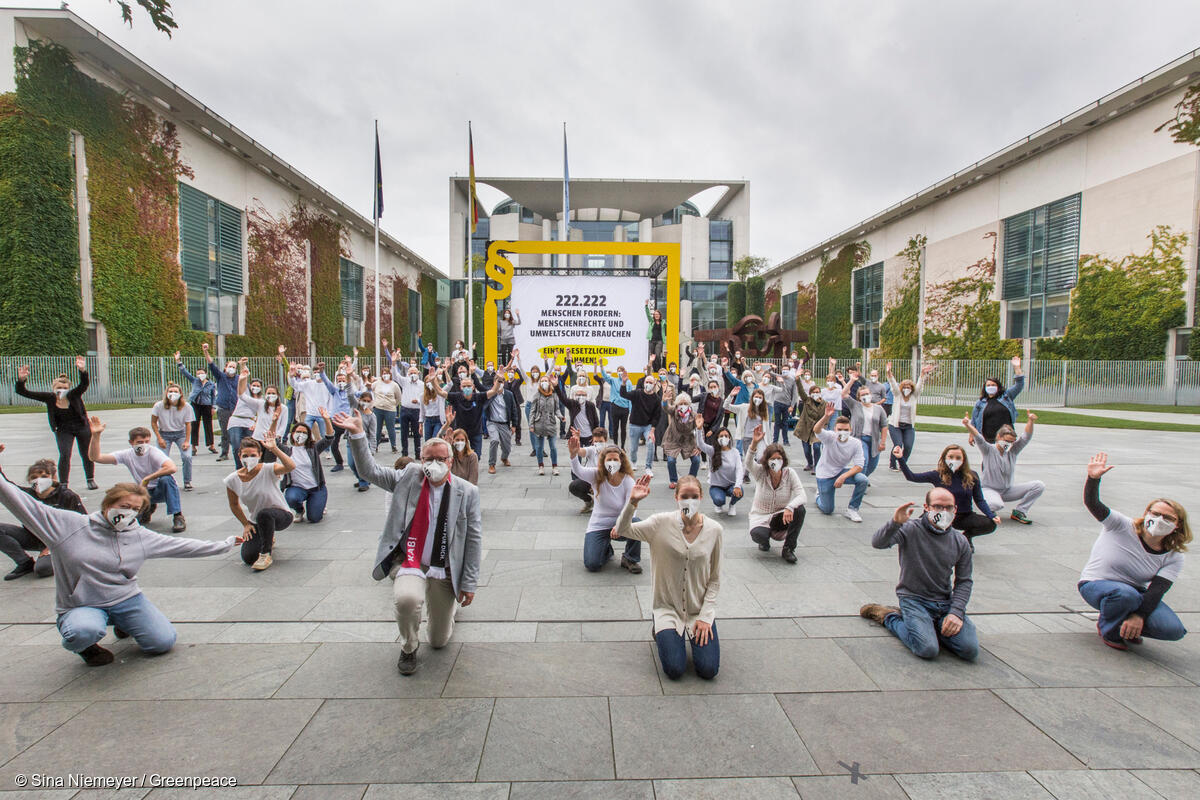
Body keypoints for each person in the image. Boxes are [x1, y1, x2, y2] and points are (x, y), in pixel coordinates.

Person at [0, 444, 240, 666]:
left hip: (126, 599)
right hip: (82, 604)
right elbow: (20, 501)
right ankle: (85, 646)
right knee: (83, 631)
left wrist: (226, 544)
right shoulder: (69, 525)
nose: (128, 514)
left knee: (162, 642)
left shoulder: (139, 536)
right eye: (124, 507)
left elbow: (184, 547)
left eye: (135, 510)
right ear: (108, 504)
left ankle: (124, 622)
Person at [336, 412, 481, 675]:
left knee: (438, 641)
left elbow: (473, 539)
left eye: (440, 459)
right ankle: (408, 647)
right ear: (421, 460)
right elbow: (369, 471)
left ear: (450, 461)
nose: (434, 464)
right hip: (410, 560)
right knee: (406, 600)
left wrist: (469, 583)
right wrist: (357, 435)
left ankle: (448, 612)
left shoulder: (466, 491)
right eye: (429, 459)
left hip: (444, 567)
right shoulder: (408, 477)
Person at [615, 474, 721, 680]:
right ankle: (661, 628)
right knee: (674, 669)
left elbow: (715, 579)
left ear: (701, 497)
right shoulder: (659, 523)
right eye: (684, 496)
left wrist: (706, 617)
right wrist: (633, 502)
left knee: (708, 669)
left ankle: (688, 632)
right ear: (676, 497)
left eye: (694, 496)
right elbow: (622, 530)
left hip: (698, 610)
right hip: (667, 608)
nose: (689, 501)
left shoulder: (715, 530)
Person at [1078, 453, 1188, 649]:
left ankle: (1123, 622)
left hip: (1135, 594)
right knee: (1125, 595)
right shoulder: (1121, 525)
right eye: (1155, 513)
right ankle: (1109, 630)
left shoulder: (1173, 555)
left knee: (1172, 629)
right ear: (1146, 514)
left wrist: (1139, 616)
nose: (1159, 520)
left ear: (1178, 525)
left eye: (1168, 518)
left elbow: (1157, 589)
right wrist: (1093, 479)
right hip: (1097, 584)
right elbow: (1093, 504)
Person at [859, 489, 978, 661]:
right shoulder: (911, 529)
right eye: (938, 506)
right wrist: (894, 523)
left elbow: (964, 581)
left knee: (969, 650)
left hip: (944, 602)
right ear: (927, 507)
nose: (944, 512)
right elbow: (878, 543)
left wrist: (956, 613)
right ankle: (889, 616)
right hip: (914, 599)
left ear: (955, 509)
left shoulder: (960, 541)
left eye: (949, 508)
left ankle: (931, 626)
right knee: (927, 649)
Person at [87, 418, 186, 533]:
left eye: (146, 441)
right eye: (139, 442)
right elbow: (96, 458)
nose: (143, 445)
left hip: (161, 490)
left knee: (166, 479)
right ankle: (146, 508)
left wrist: (148, 478)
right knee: (124, 497)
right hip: (144, 492)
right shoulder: (126, 454)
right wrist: (96, 436)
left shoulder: (153, 452)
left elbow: (172, 467)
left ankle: (178, 516)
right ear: (131, 443)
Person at [225, 413, 296, 571]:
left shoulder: (268, 469)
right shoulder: (232, 479)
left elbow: (290, 466)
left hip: (280, 515)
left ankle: (266, 555)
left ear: (259, 456)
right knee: (249, 557)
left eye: (253, 456)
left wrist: (275, 449)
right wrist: (245, 524)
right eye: (245, 456)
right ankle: (267, 536)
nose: (249, 458)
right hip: (257, 520)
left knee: (265, 514)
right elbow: (234, 504)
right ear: (239, 456)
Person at [15, 356, 97, 490]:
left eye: (64, 387)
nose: (61, 390)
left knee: (86, 453)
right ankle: (64, 483)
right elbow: (23, 392)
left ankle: (90, 479)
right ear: (53, 388)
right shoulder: (49, 398)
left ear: (69, 388)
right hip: (63, 429)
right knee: (65, 454)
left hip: (81, 427)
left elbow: (84, 385)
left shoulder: (73, 395)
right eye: (58, 387)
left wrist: (82, 370)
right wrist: (22, 379)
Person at [568, 430, 641, 574]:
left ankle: (630, 558)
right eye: (609, 460)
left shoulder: (628, 480)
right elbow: (578, 471)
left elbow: (631, 507)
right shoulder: (596, 474)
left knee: (637, 522)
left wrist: (619, 525)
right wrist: (573, 455)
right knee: (592, 565)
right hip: (599, 524)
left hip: (621, 524)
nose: (612, 463)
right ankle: (606, 549)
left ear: (621, 461)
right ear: (603, 461)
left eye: (615, 460)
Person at [895, 443, 998, 544]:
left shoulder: (972, 476)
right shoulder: (937, 475)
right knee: (918, 529)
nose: (954, 460)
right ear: (944, 458)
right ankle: (935, 539)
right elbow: (911, 477)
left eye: (958, 458)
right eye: (951, 457)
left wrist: (990, 515)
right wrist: (900, 458)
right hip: (940, 513)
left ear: (963, 460)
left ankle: (966, 537)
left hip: (963, 516)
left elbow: (979, 500)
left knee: (990, 524)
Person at [0, 459, 82, 580]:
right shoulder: (26, 495)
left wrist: (50, 547)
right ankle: (24, 563)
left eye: (44, 476)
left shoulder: (67, 496)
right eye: (34, 477)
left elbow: (80, 524)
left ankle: (60, 556)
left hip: (58, 540)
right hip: (34, 537)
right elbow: (5, 485)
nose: (39, 480)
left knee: (42, 570)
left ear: (53, 477)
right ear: (29, 480)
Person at [964, 413, 1045, 524]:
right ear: (999, 437)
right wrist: (968, 425)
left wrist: (1030, 421)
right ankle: (989, 510)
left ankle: (1020, 511)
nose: (1009, 444)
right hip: (989, 489)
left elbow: (1026, 437)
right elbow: (979, 438)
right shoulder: (988, 450)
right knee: (997, 504)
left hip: (1007, 490)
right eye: (1007, 441)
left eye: (1012, 442)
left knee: (1039, 485)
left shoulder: (1013, 451)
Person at [744, 427, 807, 563]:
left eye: (779, 459)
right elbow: (748, 463)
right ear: (766, 460)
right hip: (761, 516)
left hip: (781, 515)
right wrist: (754, 444)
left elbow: (802, 495)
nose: (776, 462)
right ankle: (764, 541)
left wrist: (790, 507)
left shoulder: (789, 473)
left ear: (783, 460)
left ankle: (789, 549)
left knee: (800, 509)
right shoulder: (761, 472)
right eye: (772, 459)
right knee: (759, 535)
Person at [812, 404, 868, 522]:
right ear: (835, 430)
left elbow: (859, 466)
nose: (843, 432)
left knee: (862, 479)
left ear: (850, 430)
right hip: (825, 474)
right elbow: (816, 430)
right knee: (827, 510)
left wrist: (843, 476)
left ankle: (852, 509)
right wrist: (826, 417)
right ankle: (818, 495)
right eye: (840, 430)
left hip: (840, 472)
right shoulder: (830, 437)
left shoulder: (856, 443)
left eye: (846, 430)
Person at [279, 417, 333, 524]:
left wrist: (327, 420)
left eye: (304, 433)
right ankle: (299, 510)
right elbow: (274, 444)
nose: (301, 435)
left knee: (314, 518)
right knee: (291, 497)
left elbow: (329, 438)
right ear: (293, 434)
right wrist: (275, 421)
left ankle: (319, 503)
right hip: (297, 488)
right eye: (298, 432)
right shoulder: (287, 451)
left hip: (316, 488)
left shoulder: (313, 449)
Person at [885, 362, 935, 471]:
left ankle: (903, 464)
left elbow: (920, 385)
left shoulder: (914, 396)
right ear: (901, 388)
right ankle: (892, 463)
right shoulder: (898, 395)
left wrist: (922, 374)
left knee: (908, 446)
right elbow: (893, 384)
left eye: (908, 387)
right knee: (898, 444)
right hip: (895, 425)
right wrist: (889, 373)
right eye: (905, 387)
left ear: (911, 388)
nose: (906, 389)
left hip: (908, 426)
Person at [693, 417, 743, 516]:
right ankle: (718, 504)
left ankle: (732, 505)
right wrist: (699, 429)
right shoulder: (712, 451)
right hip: (717, 486)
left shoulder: (735, 452)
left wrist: (737, 486)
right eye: (721, 436)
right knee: (719, 500)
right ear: (717, 438)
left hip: (731, 485)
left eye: (726, 436)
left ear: (729, 438)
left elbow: (739, 469)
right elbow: (701, 445)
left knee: (740, 492)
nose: (724, 438)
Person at [150, 382, 196, 491]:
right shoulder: (158, 406)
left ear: (180, 394)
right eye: (170, 391)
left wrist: (186, 441)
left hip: (181, 433)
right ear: (166, 393)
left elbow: (188, 424)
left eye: (175, 392)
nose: (173, 394)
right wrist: (159, 438)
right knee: (161, 458)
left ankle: (187, 481)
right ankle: (163, 481)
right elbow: (153, 422)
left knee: (187, 456)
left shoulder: (186, 407)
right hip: (164, 434)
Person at [969, 355, 1025, 444]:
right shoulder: (980, 403)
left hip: (1006, 438)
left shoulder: (1006, 397)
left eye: (993, 385)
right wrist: (972, 435)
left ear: (998, 387)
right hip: (987, 439)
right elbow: (974, 420)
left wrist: (1017, 367)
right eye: (988, 385)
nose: (991, 387)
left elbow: (1019, 384)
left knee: (1005, 458)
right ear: (985, 388)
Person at [200, 341, 240, 462]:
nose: (232, 369)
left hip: (236, 408)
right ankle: (224, 452)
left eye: (234, 367)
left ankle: (239, 452)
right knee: (225, 432)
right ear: (225, 367)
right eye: (230, 366)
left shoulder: (239, 379)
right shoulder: (221, 377)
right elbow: (211, 364)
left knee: (237, 431)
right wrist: (206, 351)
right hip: (224, 408)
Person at [840, 383, 888, 476]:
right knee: (863, 461)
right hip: (860, 439)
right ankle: (861, 482)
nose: (865, 396)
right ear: (859, 397)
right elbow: (844, 394)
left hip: (874, 440)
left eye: (867, 394)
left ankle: (863, 478)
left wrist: (883, 442)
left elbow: (884, 425)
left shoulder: (879, 409)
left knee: (873, 464)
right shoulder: (855, 406)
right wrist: (852, 380)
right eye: (862, 395)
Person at [175, 352, 217, 453]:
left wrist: (213, 407)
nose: (200, 375)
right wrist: (178, 361)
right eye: (198, 373)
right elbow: (185, 372)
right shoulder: (195, 381)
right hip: (195, 404)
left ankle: (211, 445)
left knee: (208, 425)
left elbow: (213, 396)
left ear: (206, 374)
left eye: (201, 373)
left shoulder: (211, 384)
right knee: (194, 424)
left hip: (206, 405)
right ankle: (194, 446)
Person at [622, 372, 662, 475]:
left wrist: (652, 431)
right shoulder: (637, 393)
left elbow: (656, 416)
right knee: (634, 447)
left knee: (650, 443)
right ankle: (634, 462)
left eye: (650, 382)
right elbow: (624, 394)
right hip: (634, 424)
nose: (648, 384)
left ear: (654, 384)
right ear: (644, 383)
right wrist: (623, 383)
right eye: (646, 382)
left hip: (647, 426)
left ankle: (648, 467)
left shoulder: (656, 399)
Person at [226, 359, 262, 469]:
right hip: (236, 421)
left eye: (258, 386)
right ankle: (239, 468)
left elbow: (261, 415)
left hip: (249, 423)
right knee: (237, 445)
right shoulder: (245, 393)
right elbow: (243, 379)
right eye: (253, 385)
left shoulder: (261, 400)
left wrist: (256, 424)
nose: (255, 387)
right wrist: (243, 365)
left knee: (250, 446)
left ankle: (250, 467)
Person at [661, 394, 701, 489]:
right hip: (673, 439)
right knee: (671, 461)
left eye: (685, 403)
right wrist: (664, 401)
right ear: (677, 404)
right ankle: (674, 480)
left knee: (696, 460)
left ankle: (691, 479)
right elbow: (666, 408)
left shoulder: (694, 415)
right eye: (681, 403)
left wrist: (699, 447)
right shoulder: (674, 411)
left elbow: (700, 430)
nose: (683, 405)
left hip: (688, 440)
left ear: (689, 404)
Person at [528, 372, 562, 476]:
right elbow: (532, 411)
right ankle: (541, 466)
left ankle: (555, 466)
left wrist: (561, 417)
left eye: (545, 381)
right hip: (539, 424)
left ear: (549, 382)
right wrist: (531, 425)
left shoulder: (554, 395)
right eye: (542, 381)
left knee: (553, 447)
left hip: (551, 423)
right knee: (539, 447)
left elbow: (557, 410)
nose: (544, 383)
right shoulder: (537, 395)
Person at [485, 376, 520, 475]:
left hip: (504, 423)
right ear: (494, 383)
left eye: (501, 382)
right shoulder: (489, 393)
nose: (500, 384)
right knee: (494, 440)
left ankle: (504, 457)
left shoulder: (509, 394)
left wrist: (514, 425)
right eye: (498, 382)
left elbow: (514, 409)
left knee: (507, 446)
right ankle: (492, 464)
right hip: (492, 422)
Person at [568, 427, 607, 513]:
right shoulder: (592, 450)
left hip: (605, 483)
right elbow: (581, 452)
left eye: (601, 441)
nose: (598, 444)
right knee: (574, 486)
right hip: (589, 480)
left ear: (605, 441)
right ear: (592, 441)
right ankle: (589, 501)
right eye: (596, 441)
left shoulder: (611, 453)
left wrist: (597, 486)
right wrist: (577, 441)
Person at [597, 363, 632, 450]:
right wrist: (601, 366)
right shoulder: (613, 380)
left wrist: (631, 410)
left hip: (625, 408)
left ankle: (623, 446)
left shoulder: (629, 382)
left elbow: (630, 396)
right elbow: (605, 376)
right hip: (615, 406)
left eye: (621, 371)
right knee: (615, 427)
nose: (620, 372)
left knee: (623, 428)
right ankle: (615, 445)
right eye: (618, 371)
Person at [793, 382, 826, 473]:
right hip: (805, 428)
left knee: (816, 446)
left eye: (818, 392)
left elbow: (825, 417)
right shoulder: (807, 400)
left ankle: (817, 466)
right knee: (807, 450)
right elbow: (801, 390)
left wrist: (823, 427)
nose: (816, 394)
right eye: (814, 392)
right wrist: (797, 379)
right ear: (810, 394)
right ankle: (810, 463)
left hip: (817, 429)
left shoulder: (824, 404)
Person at [370, 367, 402, 453]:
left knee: (391, 428)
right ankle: (375, 446)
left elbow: (398, 397)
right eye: (383, 373)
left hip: (390, 409)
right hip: (378, 408)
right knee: (377, 428)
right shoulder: (377, 383)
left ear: (390, 374)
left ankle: (393, 445)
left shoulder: (394, 385)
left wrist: (393, 405)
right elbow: (370, 388)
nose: (385, 375)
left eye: (387, 373)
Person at [439, 418, 480, 485]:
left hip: (466, 489)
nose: (460, 442)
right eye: (457, 440)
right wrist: (447, 424)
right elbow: (438, 439)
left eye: (462, 440)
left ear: (466, 441)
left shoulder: (472, 456)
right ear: (453, 440)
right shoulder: (449, 455)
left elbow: (473, 479)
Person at [420, 369, 447, 443]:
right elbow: (422, 411)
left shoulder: (440, 394)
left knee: (435, 440)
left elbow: (449, 385)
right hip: (428, 420)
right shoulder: (422, 395)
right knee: (428, 442)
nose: (429, 383)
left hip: (438, 419)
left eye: (431, 381)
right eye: (428, 382)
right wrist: (420, 424)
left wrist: (446, 371)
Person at [646, 301, 665, 371]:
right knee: (652, 356)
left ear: (660, 315)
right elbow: (648, 315)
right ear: (653, 316)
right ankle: (654, 370)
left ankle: (659, 369)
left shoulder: (663, 322)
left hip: (659, 341)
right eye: (655, 314)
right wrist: (646, 306)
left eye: (658, 314)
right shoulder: (651, 321)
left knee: (657, 355)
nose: (656, 315)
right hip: (652, 340)